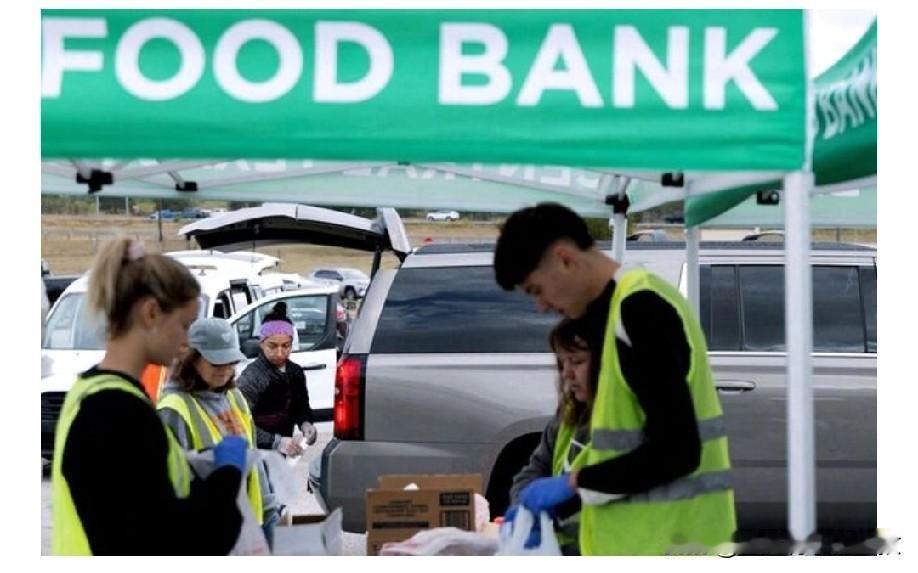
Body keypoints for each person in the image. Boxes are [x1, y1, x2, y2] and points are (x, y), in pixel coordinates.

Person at [494, 202, 736, 555]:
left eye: (536, 290)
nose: (541, 306)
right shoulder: (613, 316)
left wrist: (574, 482)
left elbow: (677, 452)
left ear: (564, 259)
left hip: (668, 545)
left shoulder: (640, 310)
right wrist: (559, 504)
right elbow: (627, 446)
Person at [51, 238, 246, 555]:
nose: (187, 341)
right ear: (151, 313)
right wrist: (227, 476)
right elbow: (175, 540)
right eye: (185, 324)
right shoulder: (119, 411)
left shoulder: (90, 392)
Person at [157, 318, 281, 548]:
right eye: (216, 362)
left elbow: (254, 463)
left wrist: (270, 510)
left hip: (252, 527)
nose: (225, 369)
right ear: (192, 359)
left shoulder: (235, 397)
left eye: (231, 361)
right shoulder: (174, 409)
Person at [507, 318, 596, 555]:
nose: (567, 373)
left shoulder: (627, 423)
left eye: (577, 362)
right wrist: (523, 508)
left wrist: (563, 500)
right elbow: (533, 471)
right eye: (562, 362)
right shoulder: (568, 415)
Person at [237, 302, 317, 457]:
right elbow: (240, 424)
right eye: (273, 346)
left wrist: (306, 424)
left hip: (281, 456)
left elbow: (301, 406)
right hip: (254, 455)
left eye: (286, 346)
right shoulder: (252, 377)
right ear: (262, 344)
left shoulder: (295, 372)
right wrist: (275, 441)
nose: (280, 353)